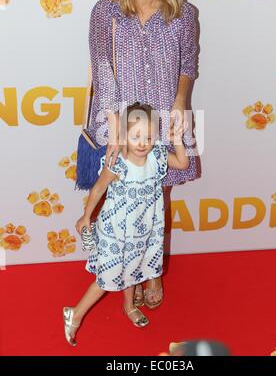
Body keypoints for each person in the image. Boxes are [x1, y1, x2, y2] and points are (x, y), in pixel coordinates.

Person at [88, 0, 201, 309]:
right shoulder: (106, 12)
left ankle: (150, 273)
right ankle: (125, 275)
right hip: (124, 120)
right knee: (123, 200)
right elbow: (102, 68)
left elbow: (189, 64)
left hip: (164, 119)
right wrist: (115, 130)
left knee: (156, 199)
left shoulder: (184, 14)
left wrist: (181, 99)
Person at [63, 103, 189, 346]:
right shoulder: (117, 163)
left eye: (150, 136)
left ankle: (129, 306)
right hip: (115, 230)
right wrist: (86, 216)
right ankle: (75, 314)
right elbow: (98, 189)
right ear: (124, 135)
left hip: (143, 230)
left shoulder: (157, 156)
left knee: (135, 268)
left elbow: (182, 163)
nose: (143, 143)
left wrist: (178, 141)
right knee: (107, 277)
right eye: (136, 136)